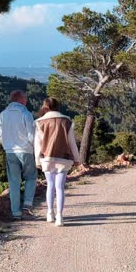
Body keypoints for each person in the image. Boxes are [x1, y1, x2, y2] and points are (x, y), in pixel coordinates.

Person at [34, 97, 81, 226]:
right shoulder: (67, 121)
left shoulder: (39, 122)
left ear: (45, 107)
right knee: (60, 187)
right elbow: (72, 142)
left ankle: (50, 213)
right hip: (64, 159)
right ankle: (60, 217)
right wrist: (77, 159)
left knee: (50, 186)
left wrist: (37, 160)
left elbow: (38, 144)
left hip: (46, 158)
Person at [0, 90, 37, 220]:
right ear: (21, 100)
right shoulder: (26, 113)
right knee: (31, 176)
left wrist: (7, 145)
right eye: (25, 100)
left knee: (14, 182)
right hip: (25, 150)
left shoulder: (3, 114)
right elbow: (31, 134)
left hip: (10, 152)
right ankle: (27, 205)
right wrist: (33, 147)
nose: (26, 102)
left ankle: (15, 212)